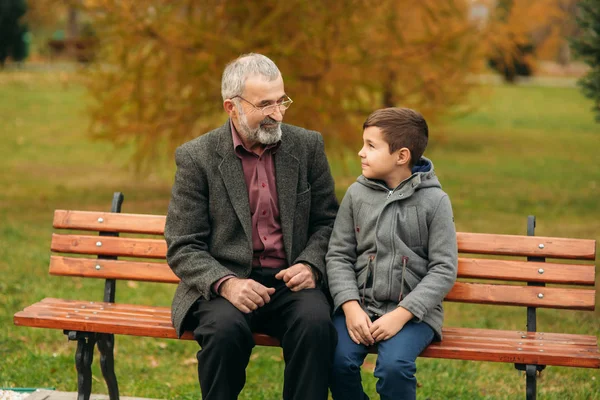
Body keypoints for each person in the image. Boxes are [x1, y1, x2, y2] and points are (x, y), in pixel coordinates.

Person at [164, 53, 338, 400]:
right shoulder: (197, 157)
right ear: (232, 107)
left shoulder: (307, 146)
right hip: (225, 282)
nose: (277, 114)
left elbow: (328, 221)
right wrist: (226, 283)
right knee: (224, 332)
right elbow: (183, 244)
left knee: (316, 325)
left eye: (281, 101)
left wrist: (312, 265)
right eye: (265, 105)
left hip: (290, 281)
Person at [326, 107, 458, 400]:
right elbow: (338, 256)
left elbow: (443, 269)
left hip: (413, 316)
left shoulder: (435, 201)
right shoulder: (356, 195)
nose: (361, 152)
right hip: (360, 308)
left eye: (371, 146)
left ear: (402, 156)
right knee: (335, 361)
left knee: (394, 367)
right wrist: (349, 306)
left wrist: (401, 315)